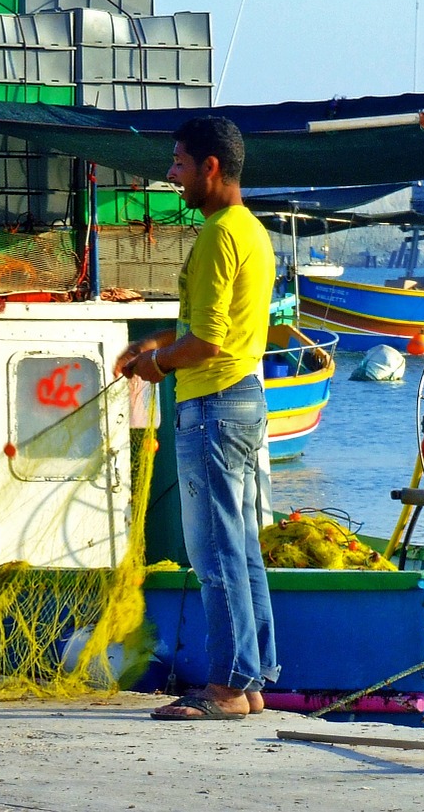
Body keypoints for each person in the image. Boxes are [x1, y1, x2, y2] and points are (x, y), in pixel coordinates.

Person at [114, 115, 278, 720]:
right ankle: (254, 680)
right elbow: (218, 329)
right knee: (242, 547)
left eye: (180, 161)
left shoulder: (215, 235)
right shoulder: (251, 231)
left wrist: (156, 363)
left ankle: (230, 688)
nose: (171, 172)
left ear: (210, 167)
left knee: (213, 553)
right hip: (244, 396)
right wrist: (155, 347)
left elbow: (206, 341)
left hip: (210, 405)